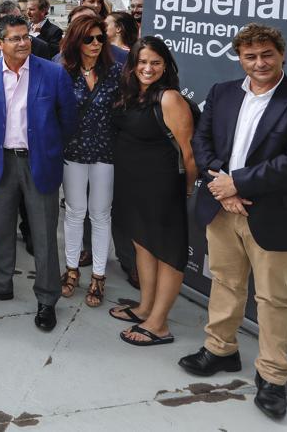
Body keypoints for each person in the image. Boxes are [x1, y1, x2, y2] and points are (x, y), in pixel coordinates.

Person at [178, 25, 287, 421]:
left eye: (266, 54)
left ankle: (273, 376)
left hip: (273, 214)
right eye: (250, 57)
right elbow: (203, 140)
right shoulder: (223, 93)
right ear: (240, 59)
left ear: (281, 55)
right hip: (222, 206)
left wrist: (238, 183)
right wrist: (223, 186)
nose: (259, 63)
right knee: (225, 282)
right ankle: (220, 349)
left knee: (273, 298)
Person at [0, 15, 75, 333]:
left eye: (26, 36)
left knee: (43, 233)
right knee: (0, 228)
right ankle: (0, 283)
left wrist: (49, 146)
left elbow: (67, 121)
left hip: (39, 161)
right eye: (15, 38)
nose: (23, 42)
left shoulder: (53, 73)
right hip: (2, 161)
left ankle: (46, 298)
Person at [107, 36, 195, 346]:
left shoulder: (169, 98)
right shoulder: (131, 94)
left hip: (162, 184)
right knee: (143, 244)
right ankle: (145, 306)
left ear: (165, 65)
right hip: (132, 182)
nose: (148, 68)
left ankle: (158, 324)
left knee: (168, 252)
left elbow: (188, 153)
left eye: (155, 63)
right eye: (142, 62)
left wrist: (184, 189)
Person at [58, 16, 122, 308]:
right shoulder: (64, 73)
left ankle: (98, 275)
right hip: (72, 153)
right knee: (74, 213)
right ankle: (71, 269)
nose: (95, 44)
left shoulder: (116, 73)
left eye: (100, 39)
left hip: (104, 153)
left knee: (100, 214)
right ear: (76, 41)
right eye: (88, 39)